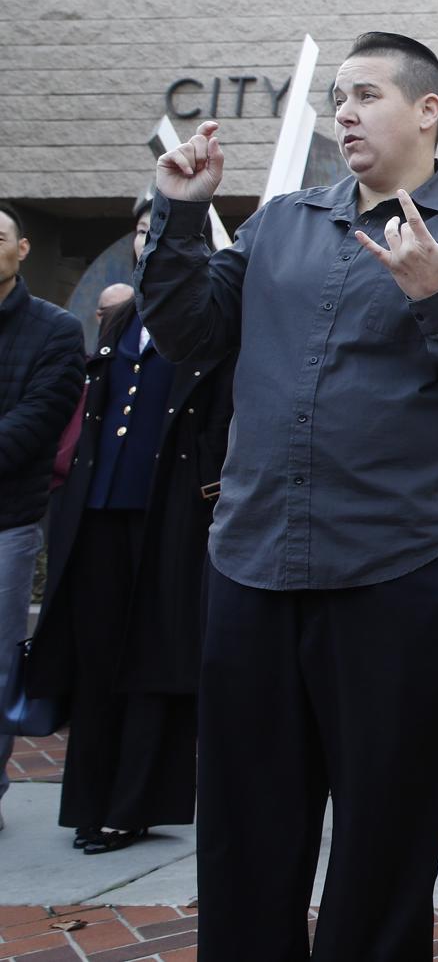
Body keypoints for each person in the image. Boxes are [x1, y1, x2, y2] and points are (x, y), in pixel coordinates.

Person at [137, 32, 438, 961]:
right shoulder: (280, 223)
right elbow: (193, 334)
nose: (345, 113)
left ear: (428, 109)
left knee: (384, 833)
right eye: (337, 98)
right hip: (254, 560)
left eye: (365, 93)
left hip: (407, 569)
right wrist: (173, 212)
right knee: (245, 826)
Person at [30, 201, 232, 854]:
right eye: (145, 231)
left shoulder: (213, 318)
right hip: (96, 512)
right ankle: (89, 803)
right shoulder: (119, 314)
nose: (151, 242)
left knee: (154, 662)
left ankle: (134, 805)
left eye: (165, 231)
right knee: (96, 661)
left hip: (170, 514)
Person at [0, 199, 86, 832]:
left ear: (22, 249)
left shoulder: (55, 330)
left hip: (7, 519)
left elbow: (37, 422)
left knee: (0, 659)